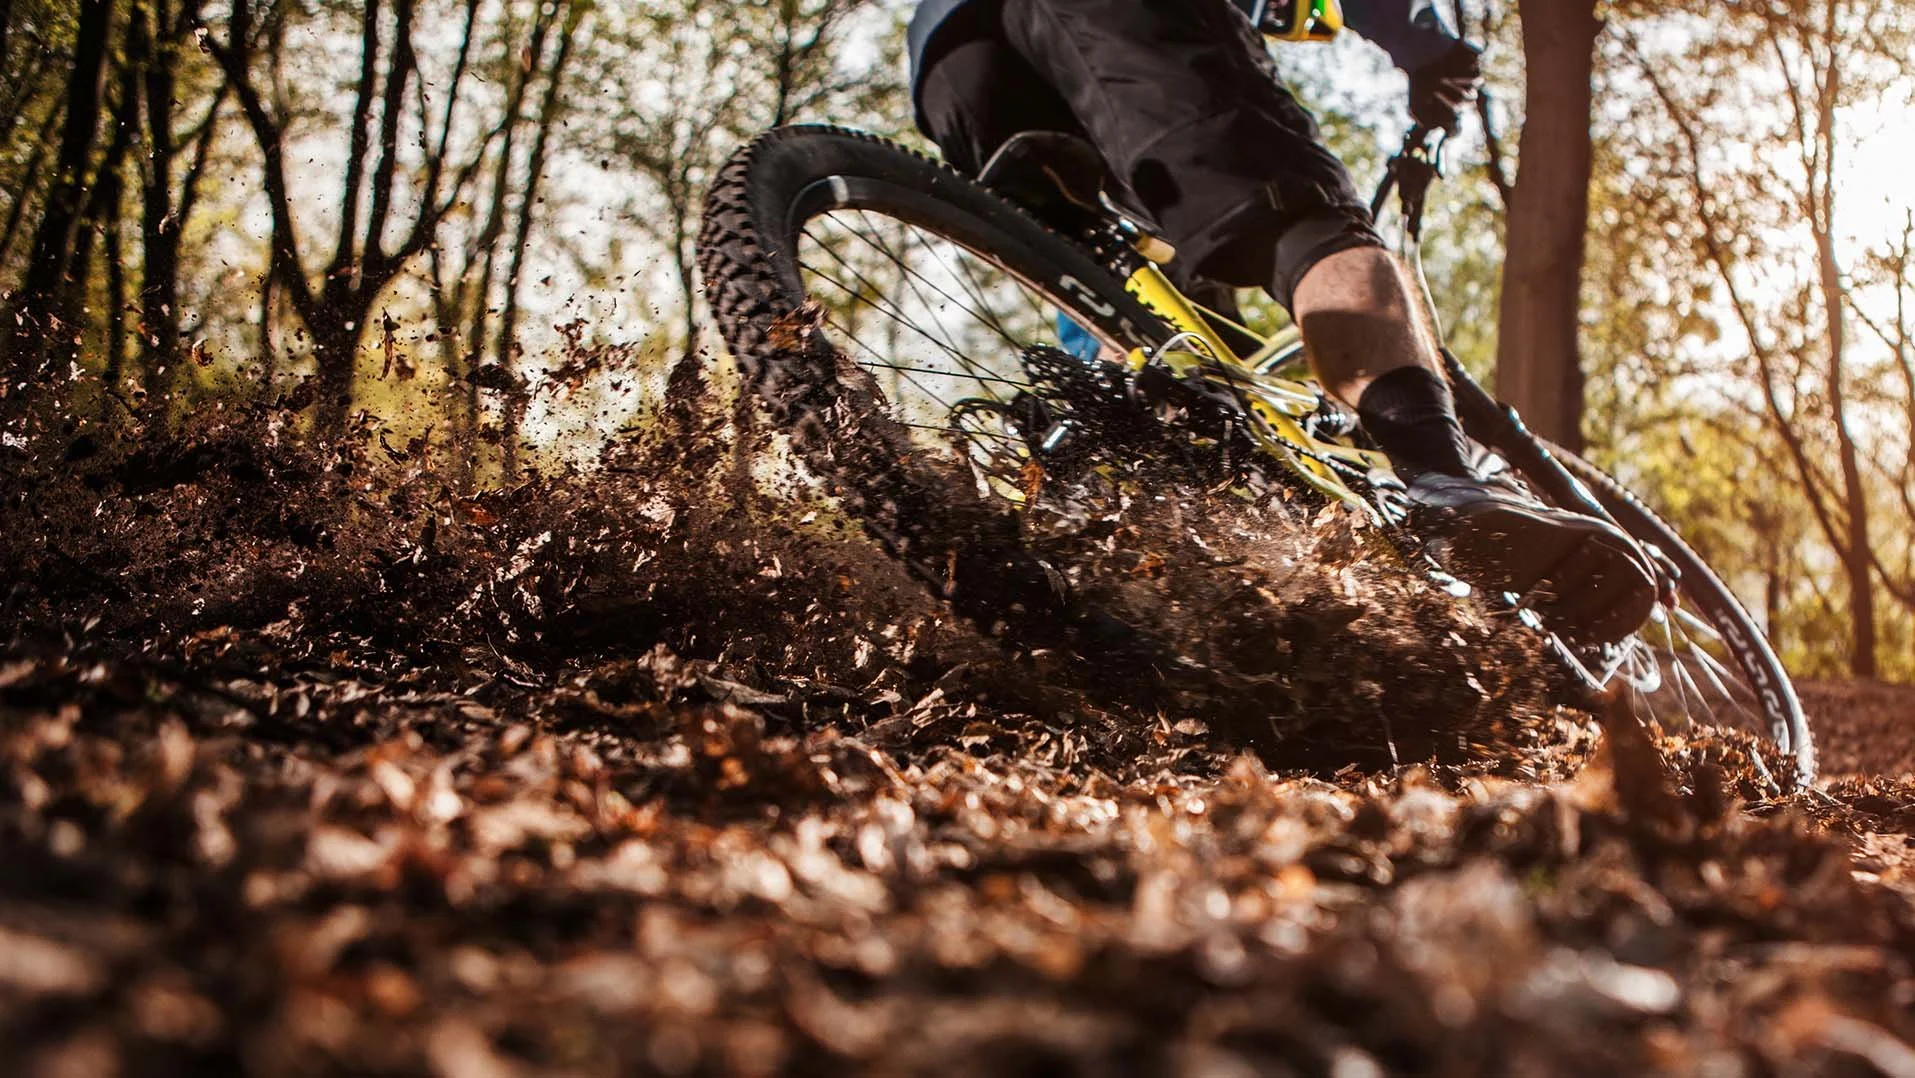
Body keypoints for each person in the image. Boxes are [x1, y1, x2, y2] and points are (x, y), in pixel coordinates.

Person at [904, 0, 1658, 639]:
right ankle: (1447, 484)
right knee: (1305, 222)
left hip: (954, 68)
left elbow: (1095, 308)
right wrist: (1433, 51)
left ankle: (1112, 561)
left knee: (1148, 330)